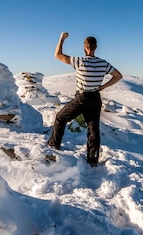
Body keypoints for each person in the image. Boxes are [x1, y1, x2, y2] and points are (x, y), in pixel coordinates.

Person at [48, 31, 123, 166]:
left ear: (84, 48)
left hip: (82, 97)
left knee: (60, 117)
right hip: (95, 98)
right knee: (93, 128)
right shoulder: (103, 63)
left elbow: (57, 55)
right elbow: (118, 76)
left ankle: (54, 146)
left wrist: (61, 39)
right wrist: (103, 86)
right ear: (95, 47)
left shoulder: (80, 61)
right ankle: (92, 159)